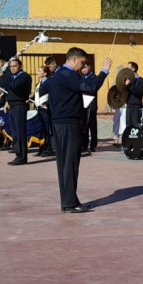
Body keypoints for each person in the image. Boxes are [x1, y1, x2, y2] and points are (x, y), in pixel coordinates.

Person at [48, 47, 111, 214]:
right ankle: (69, 203)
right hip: (69, 123)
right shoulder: (68, 75)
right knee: (70, 163)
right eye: (82, 62)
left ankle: (68, 200)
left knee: (64, 164)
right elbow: (90, 88)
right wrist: (104, 70)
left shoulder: (58, 74)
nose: (83, 67)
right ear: (74, 59)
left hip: (60, 122)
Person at [4, 58, 32, 166]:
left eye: (14, 66)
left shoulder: (23, 77)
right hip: (12, 105)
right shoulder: (12, 77)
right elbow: (9, 90)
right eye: (10, 66)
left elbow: (14, 86)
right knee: (14, 131)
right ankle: (17, 154)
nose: (12, 68)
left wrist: (4, 73)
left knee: (20, 132)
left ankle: (22, 156)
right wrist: (7, 101)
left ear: (20, 66)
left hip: (20, 105)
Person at [34, 65, 55, 157]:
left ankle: (48, 149)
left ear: (45, 73)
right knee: (41, 129)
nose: (37, 73)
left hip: (46, 109)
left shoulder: (49, 82)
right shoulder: (40, 83)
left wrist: (47, 103)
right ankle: (41, 148)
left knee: (47, 129)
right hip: (39, 108)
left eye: (39, 71)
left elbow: (52, 95)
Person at [81, 62, 100, 154]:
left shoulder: (94, 78)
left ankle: (93, 145)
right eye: (82, 68)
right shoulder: (81, 78)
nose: (83, 70)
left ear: (89, 66)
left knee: (92, 125)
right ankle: (84, 145)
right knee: (84, 125)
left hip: (91, 103)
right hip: (83, 104)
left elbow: (93, 89)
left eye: (84, 67)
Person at [124, 61, 143, 127]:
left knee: (135, 126)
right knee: (128, 126)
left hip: (136, 106)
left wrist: (130, 85)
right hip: (129, 106)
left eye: (128, 68)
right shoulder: (127, 80)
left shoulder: (141, 80)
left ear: (133, 69)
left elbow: (138, 92)